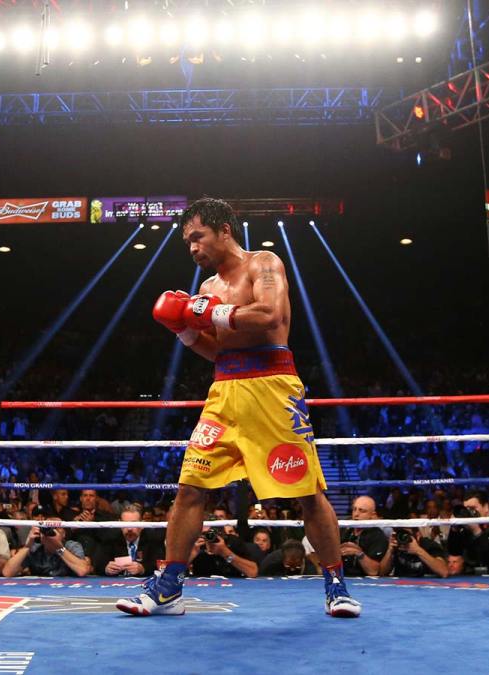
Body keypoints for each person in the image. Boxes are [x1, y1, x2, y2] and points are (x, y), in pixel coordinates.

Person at [118, 197, 359, 618]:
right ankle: (169, 587)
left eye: (198, 237)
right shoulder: (206, 290)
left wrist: (210, 313)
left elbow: (269, 316)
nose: (192, 248)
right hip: (224, 390)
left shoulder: (263, 264)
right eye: (187, 242)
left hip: (273, 387)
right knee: (190, 488)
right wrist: (183, 330)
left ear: (224, 230)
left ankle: (336, 585)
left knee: (307, 493)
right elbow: (216, 352)